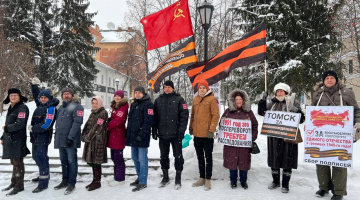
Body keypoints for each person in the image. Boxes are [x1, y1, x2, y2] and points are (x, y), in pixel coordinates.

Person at [312, 71, 360, 200]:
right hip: (322, 135)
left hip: (340, 135)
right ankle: (323, 187)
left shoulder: (347, 93)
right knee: (321, 161)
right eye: (326, 78)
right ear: (323, 80)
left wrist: (357, 123)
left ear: (336, 79)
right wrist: (309, 124)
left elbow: (356, 110)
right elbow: (313, 111)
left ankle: (338, 191)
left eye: (331, 78)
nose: (329, 80)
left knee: (339, 162)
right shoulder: (318, 94)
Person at [258, 83, 305, 193]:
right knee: (275, 158)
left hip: (288, 137)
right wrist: (262, 100)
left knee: (287, 159)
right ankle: (275, 181)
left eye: (281, 91)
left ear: (286, 92)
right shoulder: (272, 104)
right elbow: (261, 112)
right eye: (278, 91)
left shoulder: (294, 102)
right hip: (274, 136)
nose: (279, 93)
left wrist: (294, 109)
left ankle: (285, 184)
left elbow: (302, 119)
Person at [152, 80, 189, 190]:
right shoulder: (158, 100)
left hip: (175, 135)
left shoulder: (179, 100)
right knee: (163, 156)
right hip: (162, 134)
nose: (167, 89)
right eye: (165, 87)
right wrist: (154, 130)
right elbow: (155, 117)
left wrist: (181, 131)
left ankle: (178, 179)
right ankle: (165, 177)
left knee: (178, 157)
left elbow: (184, 117)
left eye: (169, 87)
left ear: (173, 88)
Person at [222, 89, 258, 189]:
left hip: (244, 144)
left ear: (243, 100)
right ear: (233, 100)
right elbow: (222, 124)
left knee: (244, 162)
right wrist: (224, 133)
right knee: (232, 162)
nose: (238, 101)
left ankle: (243, 181)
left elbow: (254, 125)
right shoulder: (227, 112)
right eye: (236, 99)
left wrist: (252, 136)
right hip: (231, 143)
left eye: (240, 99)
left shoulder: (248, 112)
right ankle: (233, 181)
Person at [29, 78, 59, 193]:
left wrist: (33, 128)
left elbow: (47, 124)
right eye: (41, 97)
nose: (42, 99)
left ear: (49, 98)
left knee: (42, 158)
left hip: (43, 137)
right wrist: (34, 85)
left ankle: (43, 182)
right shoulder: (41, 105)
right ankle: (44, 173)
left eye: (45, 97)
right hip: (35, 137)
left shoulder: (50, 108)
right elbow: (36, 95)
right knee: (36, 157)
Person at [189, 80, 220, 191]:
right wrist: (191, 127)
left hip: (207, 135)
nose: (201, 89)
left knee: (208, 157)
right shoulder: (195, 99)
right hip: (197, 134)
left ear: (207, 89)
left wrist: (211, 130)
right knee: (200, 157)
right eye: (200, 88)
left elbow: (215, 116)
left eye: (203, 87)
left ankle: (208, 179)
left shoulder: (212, 99)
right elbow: (192, 115)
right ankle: (201, 177)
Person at [53, 87, 84, 195]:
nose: (66, 95)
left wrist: (70, 137)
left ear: (72, 95)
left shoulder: (77, 106)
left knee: (72, 162)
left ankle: (72, 183)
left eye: (68, 94)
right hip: (61, 140)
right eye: (64, 94)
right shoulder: (61, 107)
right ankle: (64, 180)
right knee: (63, 161)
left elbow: (77, 123)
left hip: (71, 140)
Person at [1, 88, 30, 196]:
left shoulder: (22, 108)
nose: (13, 97)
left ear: (19, 96)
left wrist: (7, 128)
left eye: (15, 95)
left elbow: (20, 124)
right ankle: (13, 183)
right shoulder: (11, 107)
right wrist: (3, 137)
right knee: (14, 163)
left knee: (18, 163)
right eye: (11, 95)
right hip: (10, 139)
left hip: (18, 139)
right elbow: (8, 123)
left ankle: (19, 185)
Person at [126, 86, 154, 192]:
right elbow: (130, 121)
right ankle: (139, 177)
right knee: (134, 158)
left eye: (139, 92)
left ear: (143, 93)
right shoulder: (134, 104)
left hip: (142, 137)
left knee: (142, 159)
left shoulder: (148, 104)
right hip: (133, 136)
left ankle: (143, 181)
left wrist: (141, 134)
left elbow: (149, 121)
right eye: (136, 92)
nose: (137, 94)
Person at [81, 96, 108, 191]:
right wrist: (83, 135)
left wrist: (87, 137)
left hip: (98, 141)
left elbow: (97, 127)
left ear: (100, 103)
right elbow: (87, 125)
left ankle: (97, 182)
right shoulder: (93, 113)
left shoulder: (103, 113)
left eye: (96, 103)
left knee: (97, 162)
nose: (94, 105)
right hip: (91, 141)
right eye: (93, 103)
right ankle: (94, 180)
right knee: (92, 161)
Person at [107, 90, 129, 186]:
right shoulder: (115, 106)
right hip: (113, 134)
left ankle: (120, 179)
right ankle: (117, 175)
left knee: (118, 157)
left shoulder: (123, 107)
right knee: (114, 156)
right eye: (115, 96)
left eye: (119, 96)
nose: (117, 98)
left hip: (118, 135)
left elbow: (118, 120)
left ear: (122, 97)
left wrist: (106, 126)